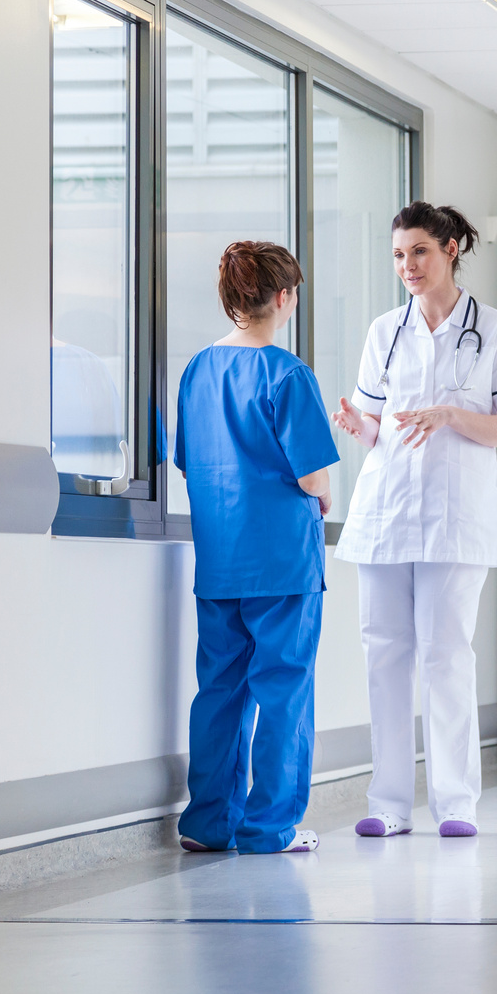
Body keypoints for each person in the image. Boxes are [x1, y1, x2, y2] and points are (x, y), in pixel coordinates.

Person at [331, 202, 497, 838]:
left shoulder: (495, 329)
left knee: (447, 656)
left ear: (450, 250)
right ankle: (388, 806)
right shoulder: (384, 331)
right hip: (386, 512)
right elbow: (377, 427)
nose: (407, 266)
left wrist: (450, 415)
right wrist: (356, 423)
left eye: (418, 251)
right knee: (384, 655)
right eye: (398, 255)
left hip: (457, 516)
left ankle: (455, 803)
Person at [174, 241, 340, 854]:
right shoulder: (289, 374)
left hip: (220, 563)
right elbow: (313, 476)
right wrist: (324, 497)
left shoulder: (196, 371)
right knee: (284, 692)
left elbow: (190, 464)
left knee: (219, 691)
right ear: (284, 297)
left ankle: (207, 824)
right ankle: (271, 827)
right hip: (282, 565)